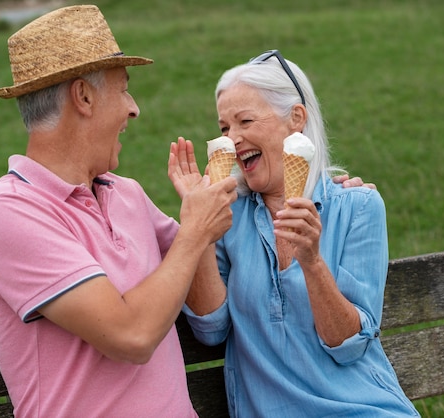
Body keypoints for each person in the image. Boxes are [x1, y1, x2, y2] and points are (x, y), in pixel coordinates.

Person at [0, 5, 238, 417]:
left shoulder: (126, 194)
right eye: (124, 89)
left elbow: (209, 312)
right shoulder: (9, 211)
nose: (134, 108)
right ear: (84, 96)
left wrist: (204, 212)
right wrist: (195, 231)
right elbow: (131, 336)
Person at [169, 50, 420, 417]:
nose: (231, 139)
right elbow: (211, 330)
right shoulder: (229, 216)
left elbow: (347, 345)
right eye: (224, 128)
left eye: (245, 121)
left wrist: (312, 260)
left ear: (296, 120)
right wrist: (199, 224)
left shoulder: (359, 207)